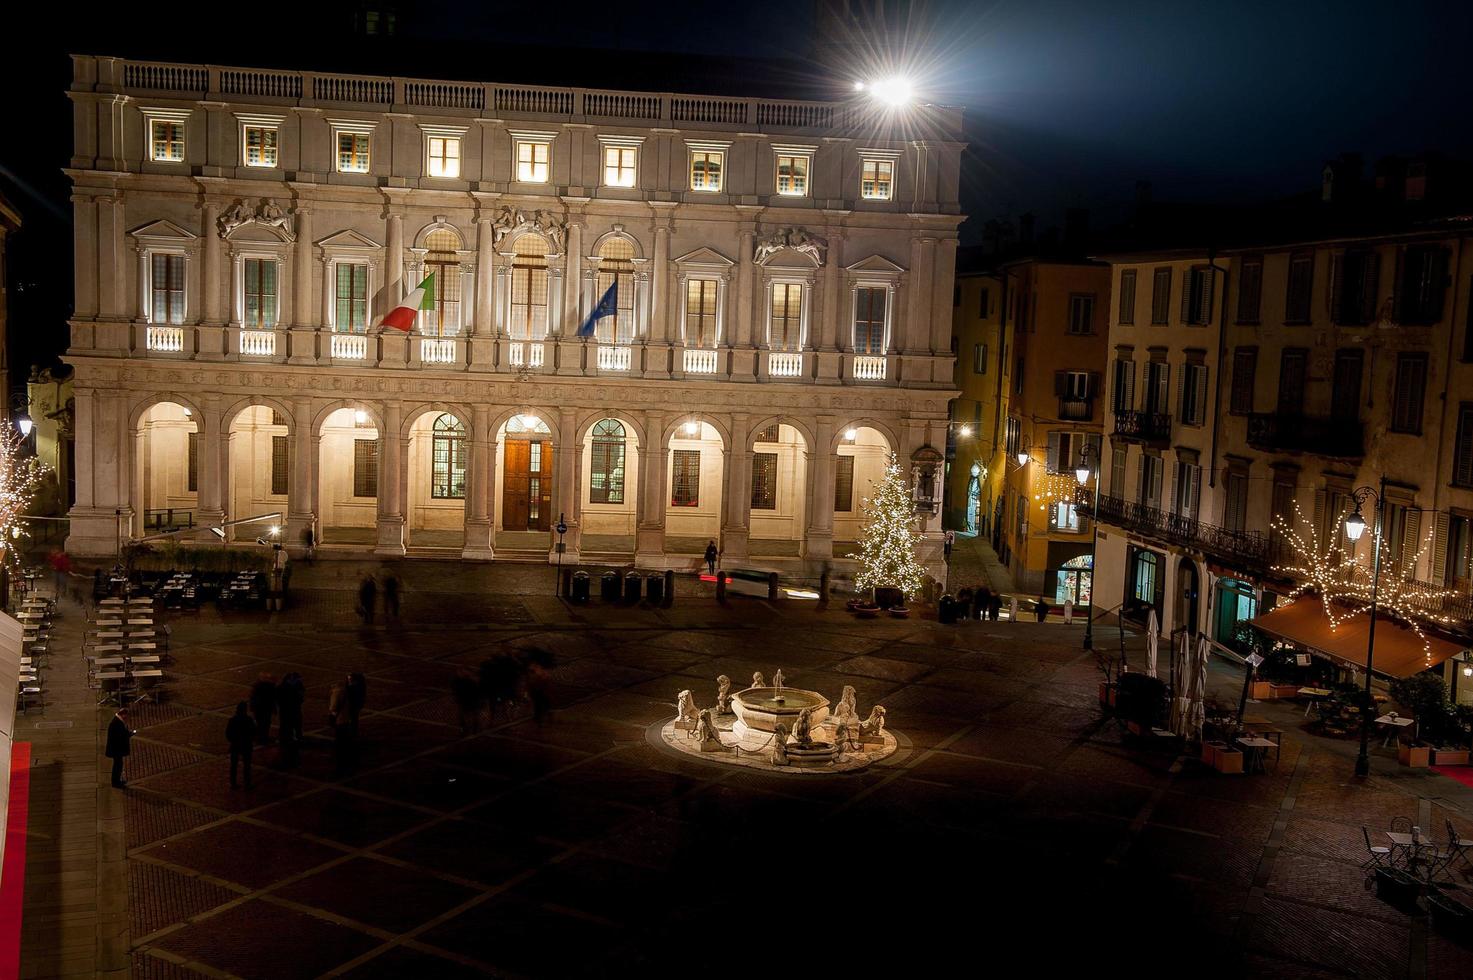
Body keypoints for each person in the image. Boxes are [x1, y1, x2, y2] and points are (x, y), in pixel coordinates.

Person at [225, 702, 256, 789]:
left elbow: (228, 734)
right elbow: (253, 732)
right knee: (247, 765)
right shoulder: (248, 720)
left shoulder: (233, 720)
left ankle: (233, 782)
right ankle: (247, 783)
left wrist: (233, 741)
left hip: (235, 745)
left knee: (234, 765)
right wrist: (250, 740)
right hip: (246, 745)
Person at [277, 672, 305, 765]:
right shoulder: (286, 687)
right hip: (289, 710)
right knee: (288, 725)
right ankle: (289, 739)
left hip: (290, 710)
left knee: (292, 725)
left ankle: (292, 739)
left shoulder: (286, 687)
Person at [328, 682, 354, 772]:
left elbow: (334, 707)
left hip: (340, 719)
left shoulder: (336, 693)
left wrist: (331, 716)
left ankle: (340, 758)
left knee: (340, 738)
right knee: (344, 737)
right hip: (346, 719)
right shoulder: (345, 691)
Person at [105, 708, 134, 788]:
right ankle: (116, 783)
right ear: (123, 715)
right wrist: (129, 734)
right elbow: (120, 736)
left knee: (118, 765)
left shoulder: (117, 722)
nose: (127, 718)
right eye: (126, 716)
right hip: (116, 750)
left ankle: (117, 781)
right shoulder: (116, 723)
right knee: (117, 766)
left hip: (116, 749)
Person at [249, 673, 277, 745]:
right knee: (265, 723)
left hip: (259, 709)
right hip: (265, 709)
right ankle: (263, 738)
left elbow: (253, 698)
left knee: (261, 723)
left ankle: (261, 737)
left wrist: (252, 707)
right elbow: (272, 699)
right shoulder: (271, 688)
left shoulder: (257, 687)